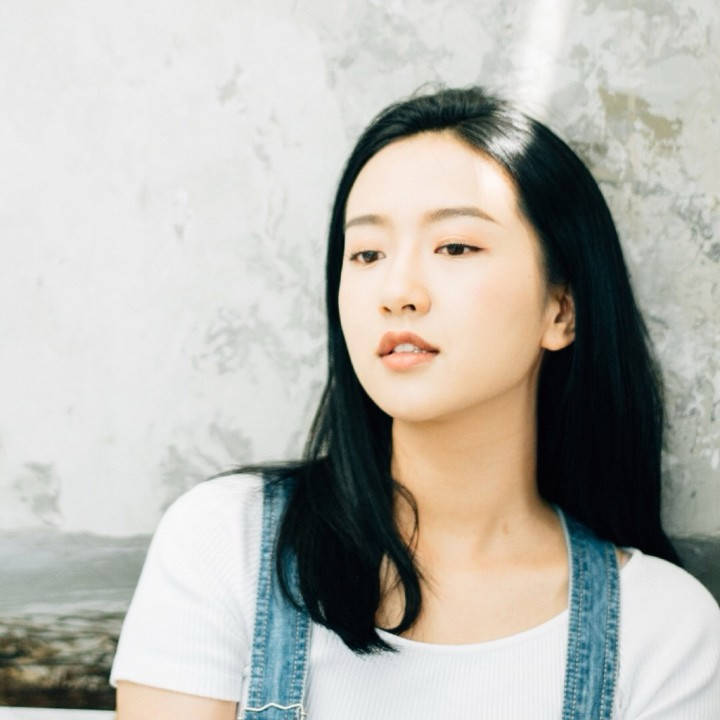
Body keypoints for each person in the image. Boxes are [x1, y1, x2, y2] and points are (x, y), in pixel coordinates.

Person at [111, 87, 720, 719]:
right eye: (367, 254)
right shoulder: (228, 541)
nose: (397, 290)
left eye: (455, 247)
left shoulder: (662, 630)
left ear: (561, 309)